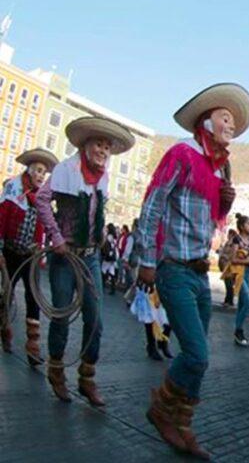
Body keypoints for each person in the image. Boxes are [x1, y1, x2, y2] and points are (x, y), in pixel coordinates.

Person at [136, 83, 249, 459]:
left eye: (233, 120)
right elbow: (153, 204)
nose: (230, 124)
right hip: (174, 270)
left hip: (201, 274)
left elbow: (211, 224)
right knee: (198, 355)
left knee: (197, 358)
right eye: (224, 117)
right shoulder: (182, 154)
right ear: (205, 121)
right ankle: (161, 410)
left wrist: (223, 206)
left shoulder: (219, 170)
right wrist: (146, 260)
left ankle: (183, 424)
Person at [37, 117, 135, 406]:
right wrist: (54, 236)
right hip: (64, 257)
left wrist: (101, 233)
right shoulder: (65, 170)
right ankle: (56, 371)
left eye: (107, 147)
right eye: (98, 144)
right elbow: (43, 200)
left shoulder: (103, 176)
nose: (103, 151)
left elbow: (95, 211)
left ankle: (87, 378)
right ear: (85, 144)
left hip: (90, 256)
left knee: (96, 319)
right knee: (62, 315)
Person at [0, 148, 57, 366]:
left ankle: (33, 345)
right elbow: (2, 220)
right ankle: (4, 327)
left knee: (33, 298)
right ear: (30, 170)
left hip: (31, 254)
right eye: (39, 171)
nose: (42, 176)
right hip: (11, 252)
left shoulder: (42, 197)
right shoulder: (13, 188)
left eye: (44, 173)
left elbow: (45, 225)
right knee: (6, 293)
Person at [230, 213, 249, 346]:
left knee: (242, 304)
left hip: (247, 273)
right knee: (248, 303)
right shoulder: (237, 239)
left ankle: (239, 331)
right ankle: (238, 331)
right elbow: (233, 259)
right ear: (242, 226)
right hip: (239, 273)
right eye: (248, 224)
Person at [101, 224, 119, 295]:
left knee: (103, 271)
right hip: (113, 257)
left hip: (108, 257)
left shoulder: (109, 237)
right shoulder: (114, 238)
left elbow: (106, 246)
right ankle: (113, 289)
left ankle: (102, 286)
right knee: (112, 272)